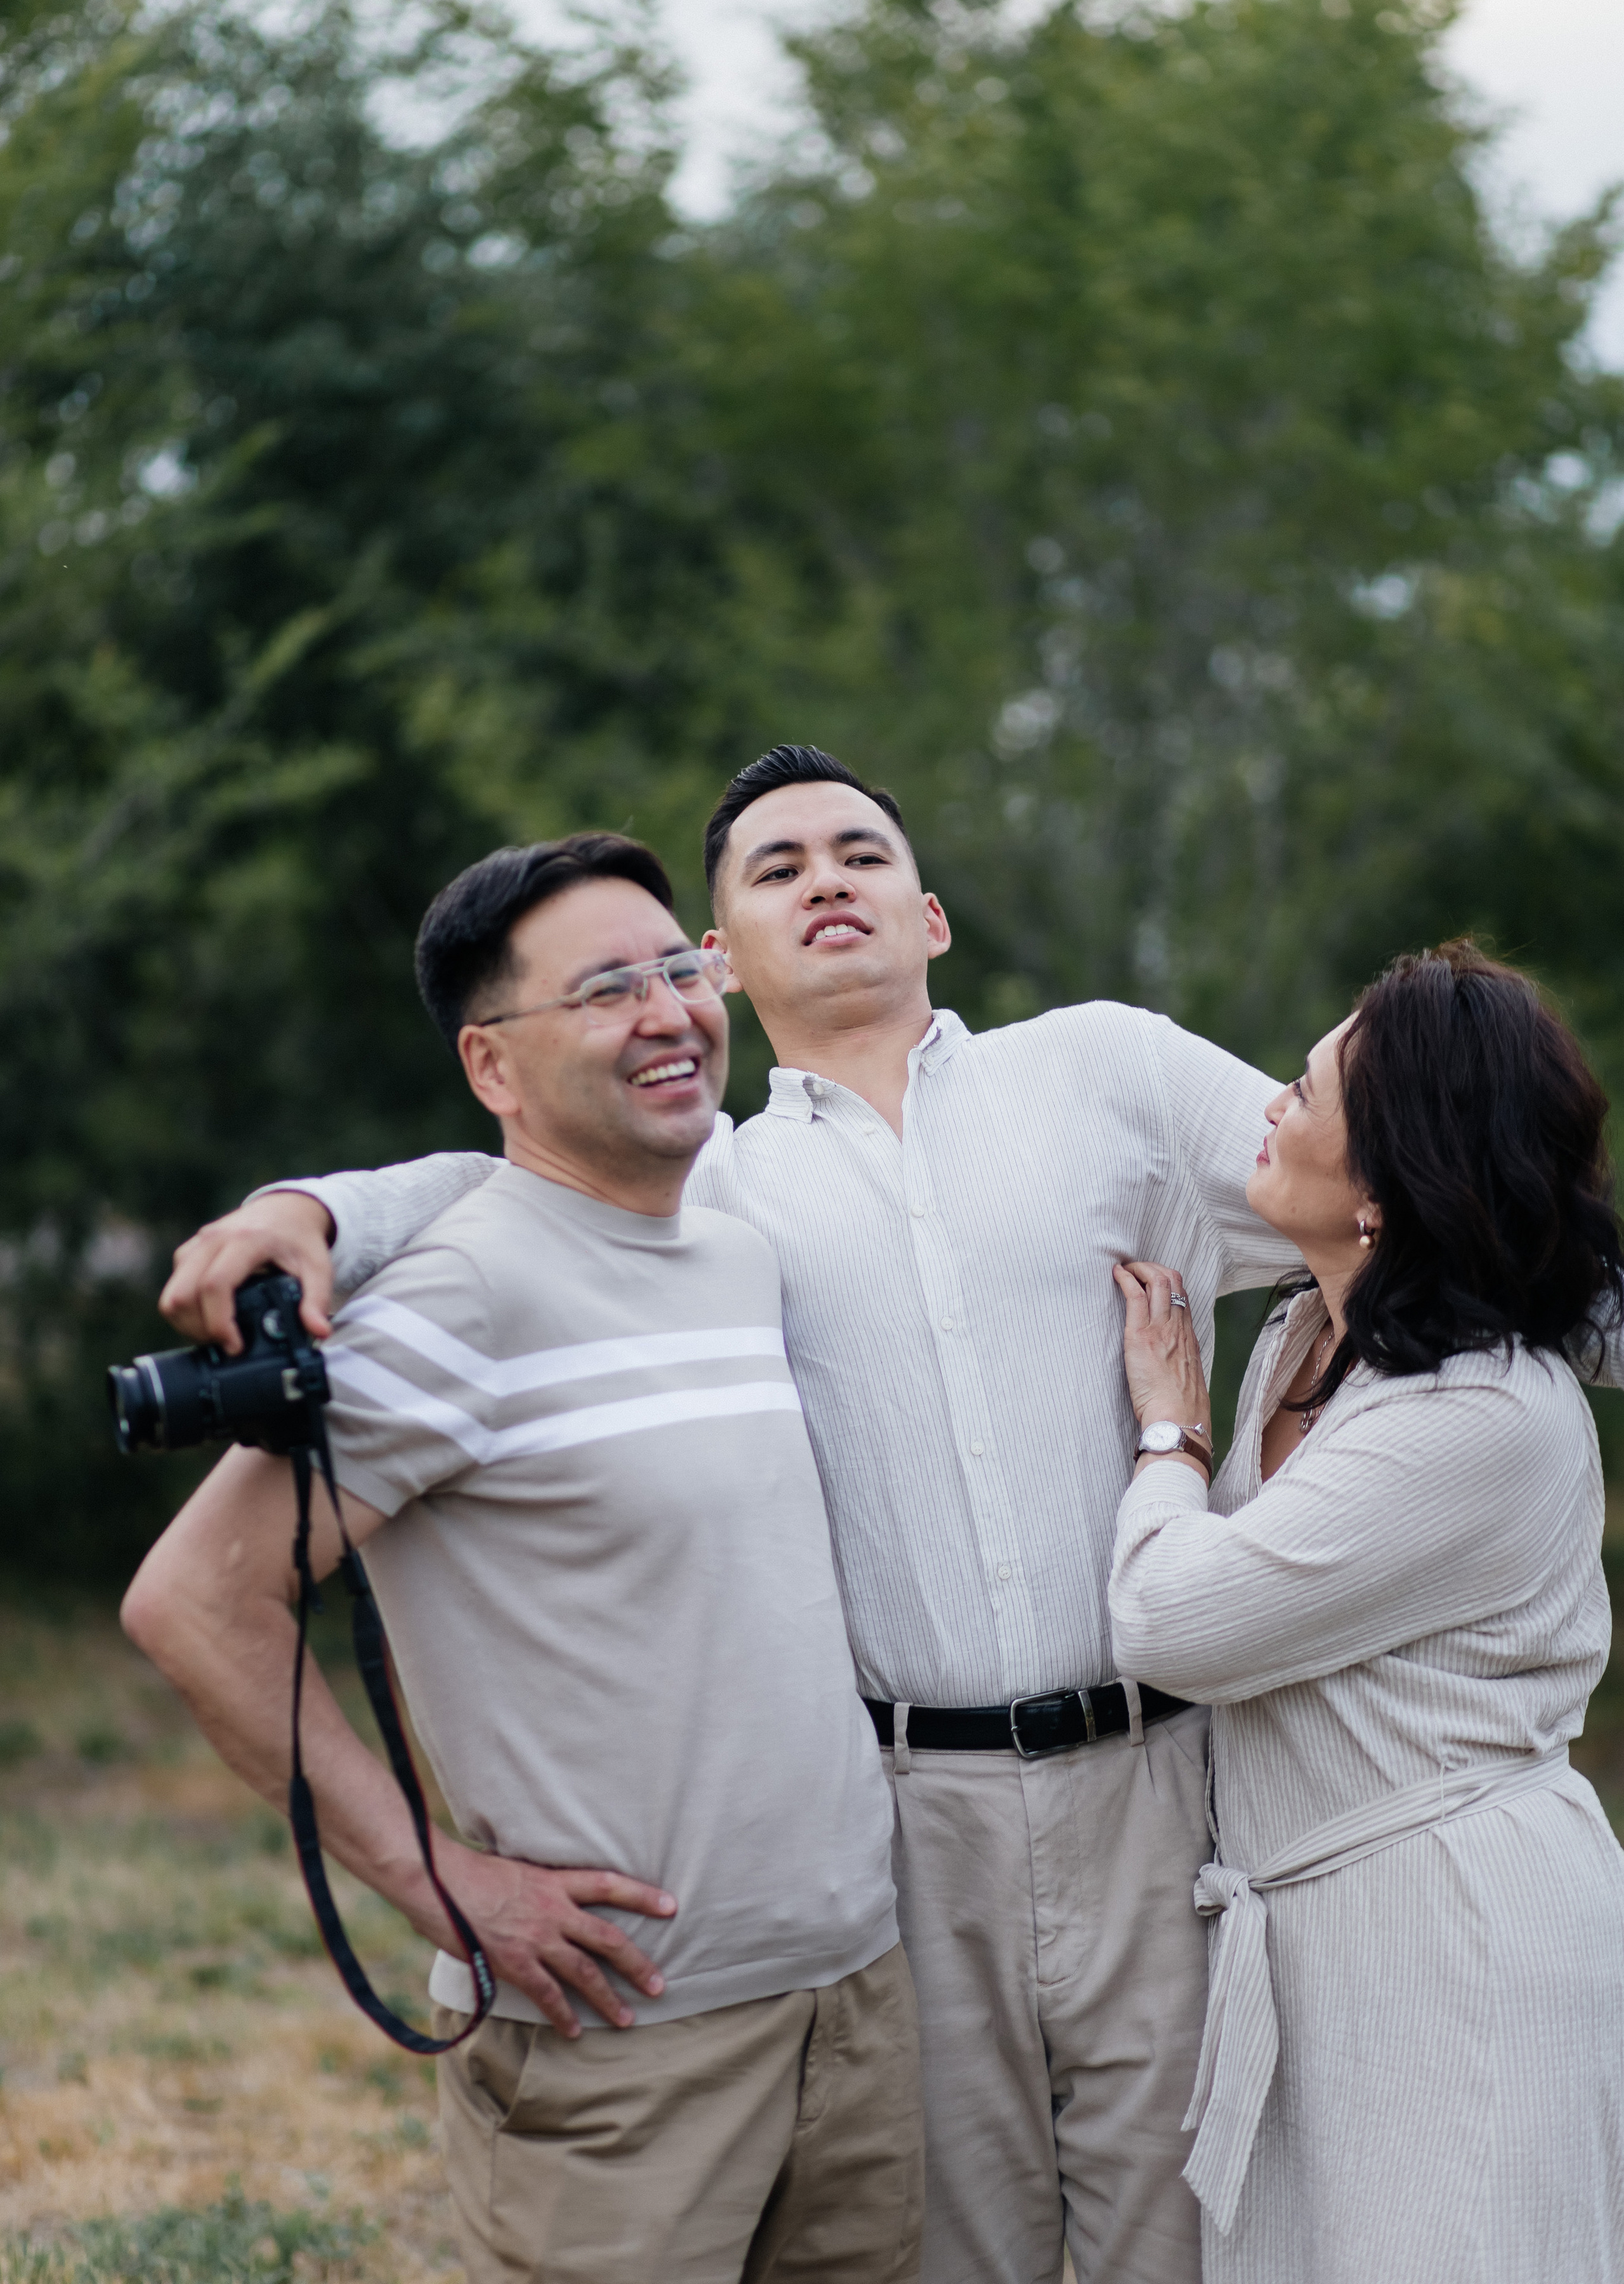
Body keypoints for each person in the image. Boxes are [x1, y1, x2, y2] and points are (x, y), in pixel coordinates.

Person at [159, 745, 1308, 2284]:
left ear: (930, 916)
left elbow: (1362, 1183)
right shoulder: (708, 1191)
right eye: (776, 869)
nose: (825, 879)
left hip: (1148, 1785)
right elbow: (496, 1181)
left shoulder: (1098, 1074)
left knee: (1188, 2247)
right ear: (727, 961)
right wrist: (306, 1206)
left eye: (859, 853)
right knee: (960, 2252)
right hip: (907, 1823)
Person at [123, 832, 922, 2284]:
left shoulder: (732, 1250)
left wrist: (313, 1199)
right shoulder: (458, 1299)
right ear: (491, 1066)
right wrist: (437, 1881)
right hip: (619, 2052)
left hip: (852, 2005)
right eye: (607, 991)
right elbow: (195, 1603)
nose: (667, 1014)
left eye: (677, 971)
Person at [1108, 940, 1624, 2283]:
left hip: (1457, 1936)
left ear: (1385, 1190)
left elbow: (1171, 1627)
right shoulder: (1308, 1333)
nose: (1268, 1108)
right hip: (1318, 1947)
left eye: (1303, 1091)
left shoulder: (1479, 1413)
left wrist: (1168, 1435)